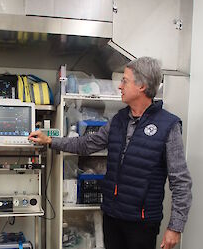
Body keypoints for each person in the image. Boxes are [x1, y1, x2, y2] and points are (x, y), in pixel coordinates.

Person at [28, 57, 192, 249]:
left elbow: (181, 181)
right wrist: (51, 141)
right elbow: (87, 144)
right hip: (112, 217)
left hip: (142, 223)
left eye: (125, 81)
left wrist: (175, 227)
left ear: (142, 86)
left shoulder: (168, 125)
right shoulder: (119, 120)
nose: (120, 86)